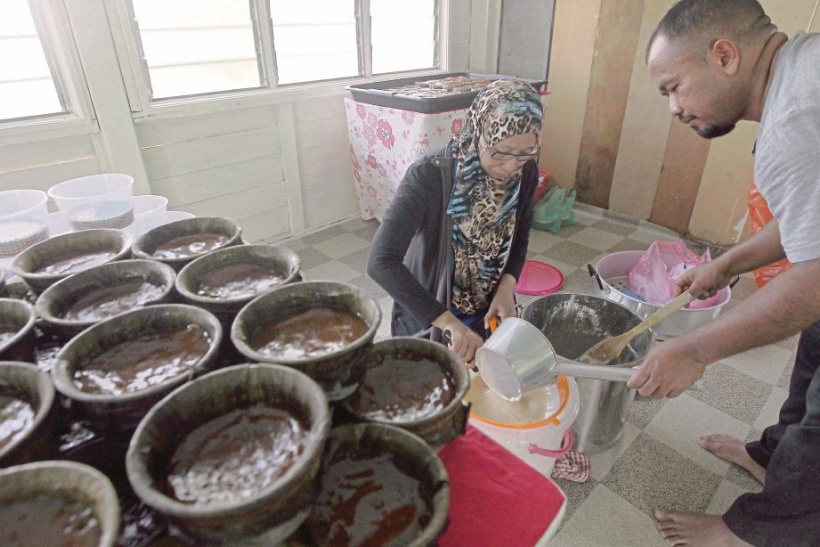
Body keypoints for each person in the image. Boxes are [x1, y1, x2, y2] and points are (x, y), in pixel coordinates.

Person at [628, 0, 820, 544]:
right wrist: (726, 265)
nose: (672, 108)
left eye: (672, 87)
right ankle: (772, 459)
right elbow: (808, 220)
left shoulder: (793, 121)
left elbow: (815, 281)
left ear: (725, 55)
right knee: (811, 368)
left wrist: (693, 351)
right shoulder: (805, 66)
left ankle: (758, 532)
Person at [367, 79, 543, 367]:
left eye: (525, 153)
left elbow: (520, 238)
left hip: (486, 312)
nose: (511, 166)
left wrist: (506, 286)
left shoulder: (526, 173)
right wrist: (449, 323)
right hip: (430, 314)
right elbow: (380, 262)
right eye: (501, 151)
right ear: (479, 130)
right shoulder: (428, 177)